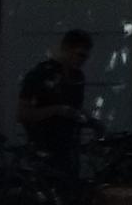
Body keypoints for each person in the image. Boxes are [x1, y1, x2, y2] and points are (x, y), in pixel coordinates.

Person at [15, 29, 97, 176]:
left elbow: (75, 108)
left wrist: (89, 120)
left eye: (85, 57)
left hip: (69, 148)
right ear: (66, 49)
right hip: (44, 148)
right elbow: (23, 114)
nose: (82, 60)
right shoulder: (40, 74)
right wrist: (57, 110)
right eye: (79, 55)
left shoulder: (77, 76)